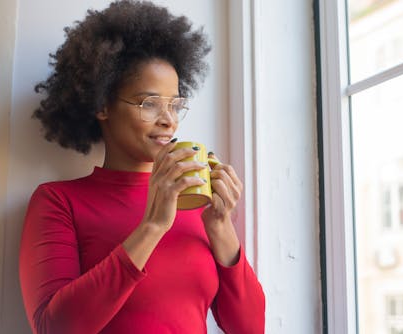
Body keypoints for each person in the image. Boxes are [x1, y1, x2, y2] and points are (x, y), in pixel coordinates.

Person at [18, 1, 265, 333]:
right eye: (150, 103)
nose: (168, 121)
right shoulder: (59, 202)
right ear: (103, 105)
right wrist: (152, 227)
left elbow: (249, 328)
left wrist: (221, 225)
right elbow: (55, 327)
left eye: (175, 105)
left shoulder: (197, 205)